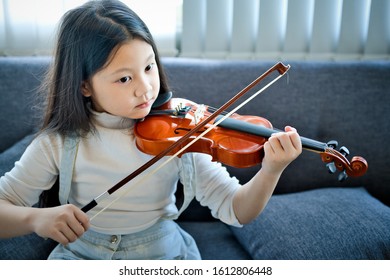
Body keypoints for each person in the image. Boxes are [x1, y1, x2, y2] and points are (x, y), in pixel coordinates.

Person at [0, 0, 301, 260]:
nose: (145, 90)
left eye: (148, 67)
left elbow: (237, 209)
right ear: (84, 85)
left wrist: (271, 170)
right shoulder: (59, 143)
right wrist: (35, 219)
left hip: (162, 254)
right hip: (82, 255)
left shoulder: (181, 133)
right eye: (124, 79)